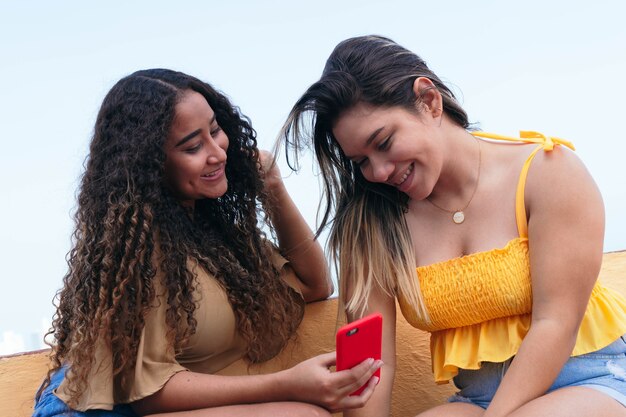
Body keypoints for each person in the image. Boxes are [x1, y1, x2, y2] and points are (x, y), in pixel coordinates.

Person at [280, 35, 626, 416]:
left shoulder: (548, 172)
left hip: (592, 378)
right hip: (477, 400)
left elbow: (555, 321)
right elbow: (374, 364)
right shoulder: (371, 225)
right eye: (360, 161)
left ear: (428, 101)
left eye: (384, 142)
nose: (377, 172)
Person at [32, 68, 383, 417]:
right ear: (152, 165)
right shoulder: (144, 246)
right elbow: (148, 392)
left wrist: (273, 187)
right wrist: (288, 383)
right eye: (193, 146)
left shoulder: (211, 236)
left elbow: (314, 284)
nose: (218, 153)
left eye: (215, 131)